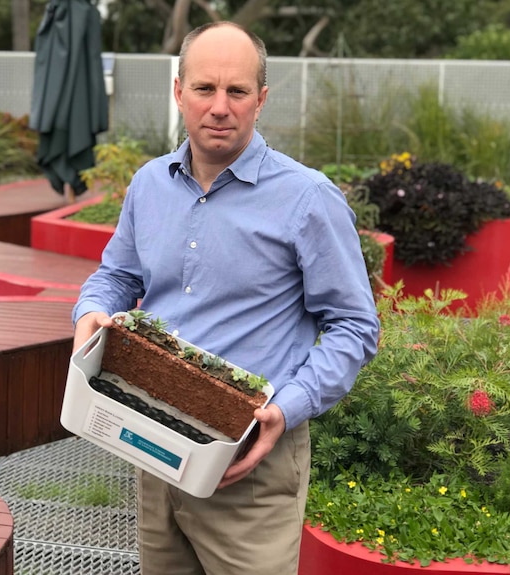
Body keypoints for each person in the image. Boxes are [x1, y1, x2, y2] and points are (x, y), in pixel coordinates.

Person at [71, 21, 380, 575]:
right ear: (178, 92)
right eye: (204, 89)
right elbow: (116, 275)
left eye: (237, 91)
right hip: (153, 443)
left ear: (260, 101)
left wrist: (288, 408)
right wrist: (90, 311)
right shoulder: (148, 185)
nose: (219, 106)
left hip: (249, 463)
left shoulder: (308, 200)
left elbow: (355, 326)